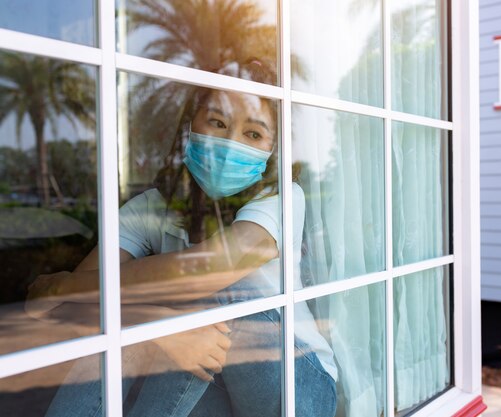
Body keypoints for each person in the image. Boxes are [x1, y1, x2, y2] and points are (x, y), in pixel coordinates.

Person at [25, 60, 337, 417]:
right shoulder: (150, 208)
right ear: (191, 125)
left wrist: (65, 287)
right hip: (208, 379)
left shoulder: (281, 199)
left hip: (297, 387)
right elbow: (53, 309)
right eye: (217, 122)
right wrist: (155, 326)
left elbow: (207, 271)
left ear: (272, 149)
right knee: (122, 334)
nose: (229, 143)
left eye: (253, 134)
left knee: (212, 291)